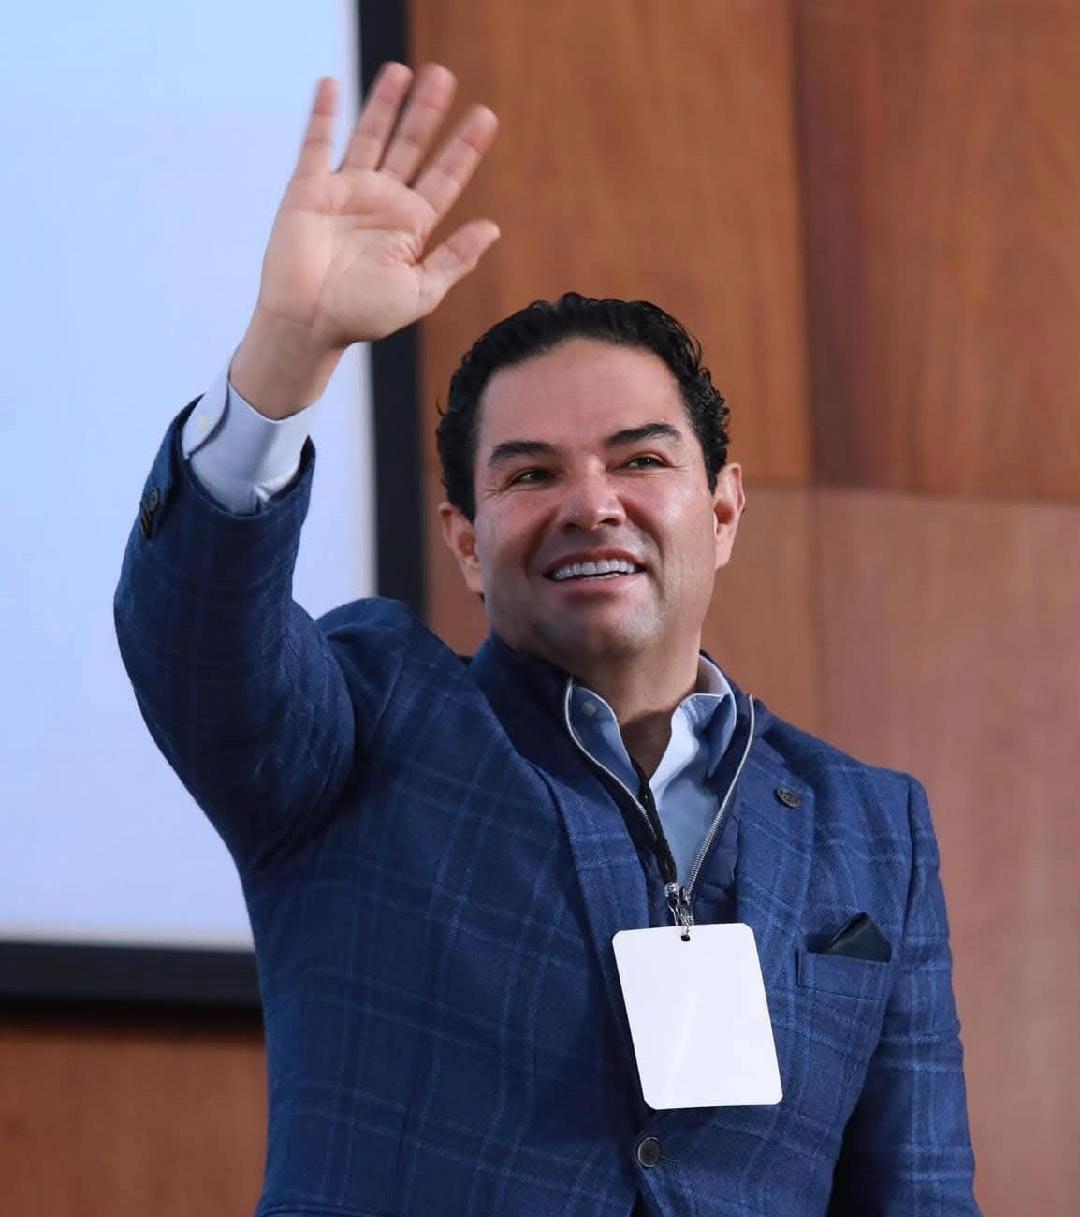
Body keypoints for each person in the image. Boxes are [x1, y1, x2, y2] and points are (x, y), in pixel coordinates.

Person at [114, 62, 981, 1217]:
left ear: (723, 510)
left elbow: (920, 1193)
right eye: (531, 474)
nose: (591, 503)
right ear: (466, 542)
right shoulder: (362, 726)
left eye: (640, 459)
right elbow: (197, 643)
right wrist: (285, 354)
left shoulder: (872, 827)